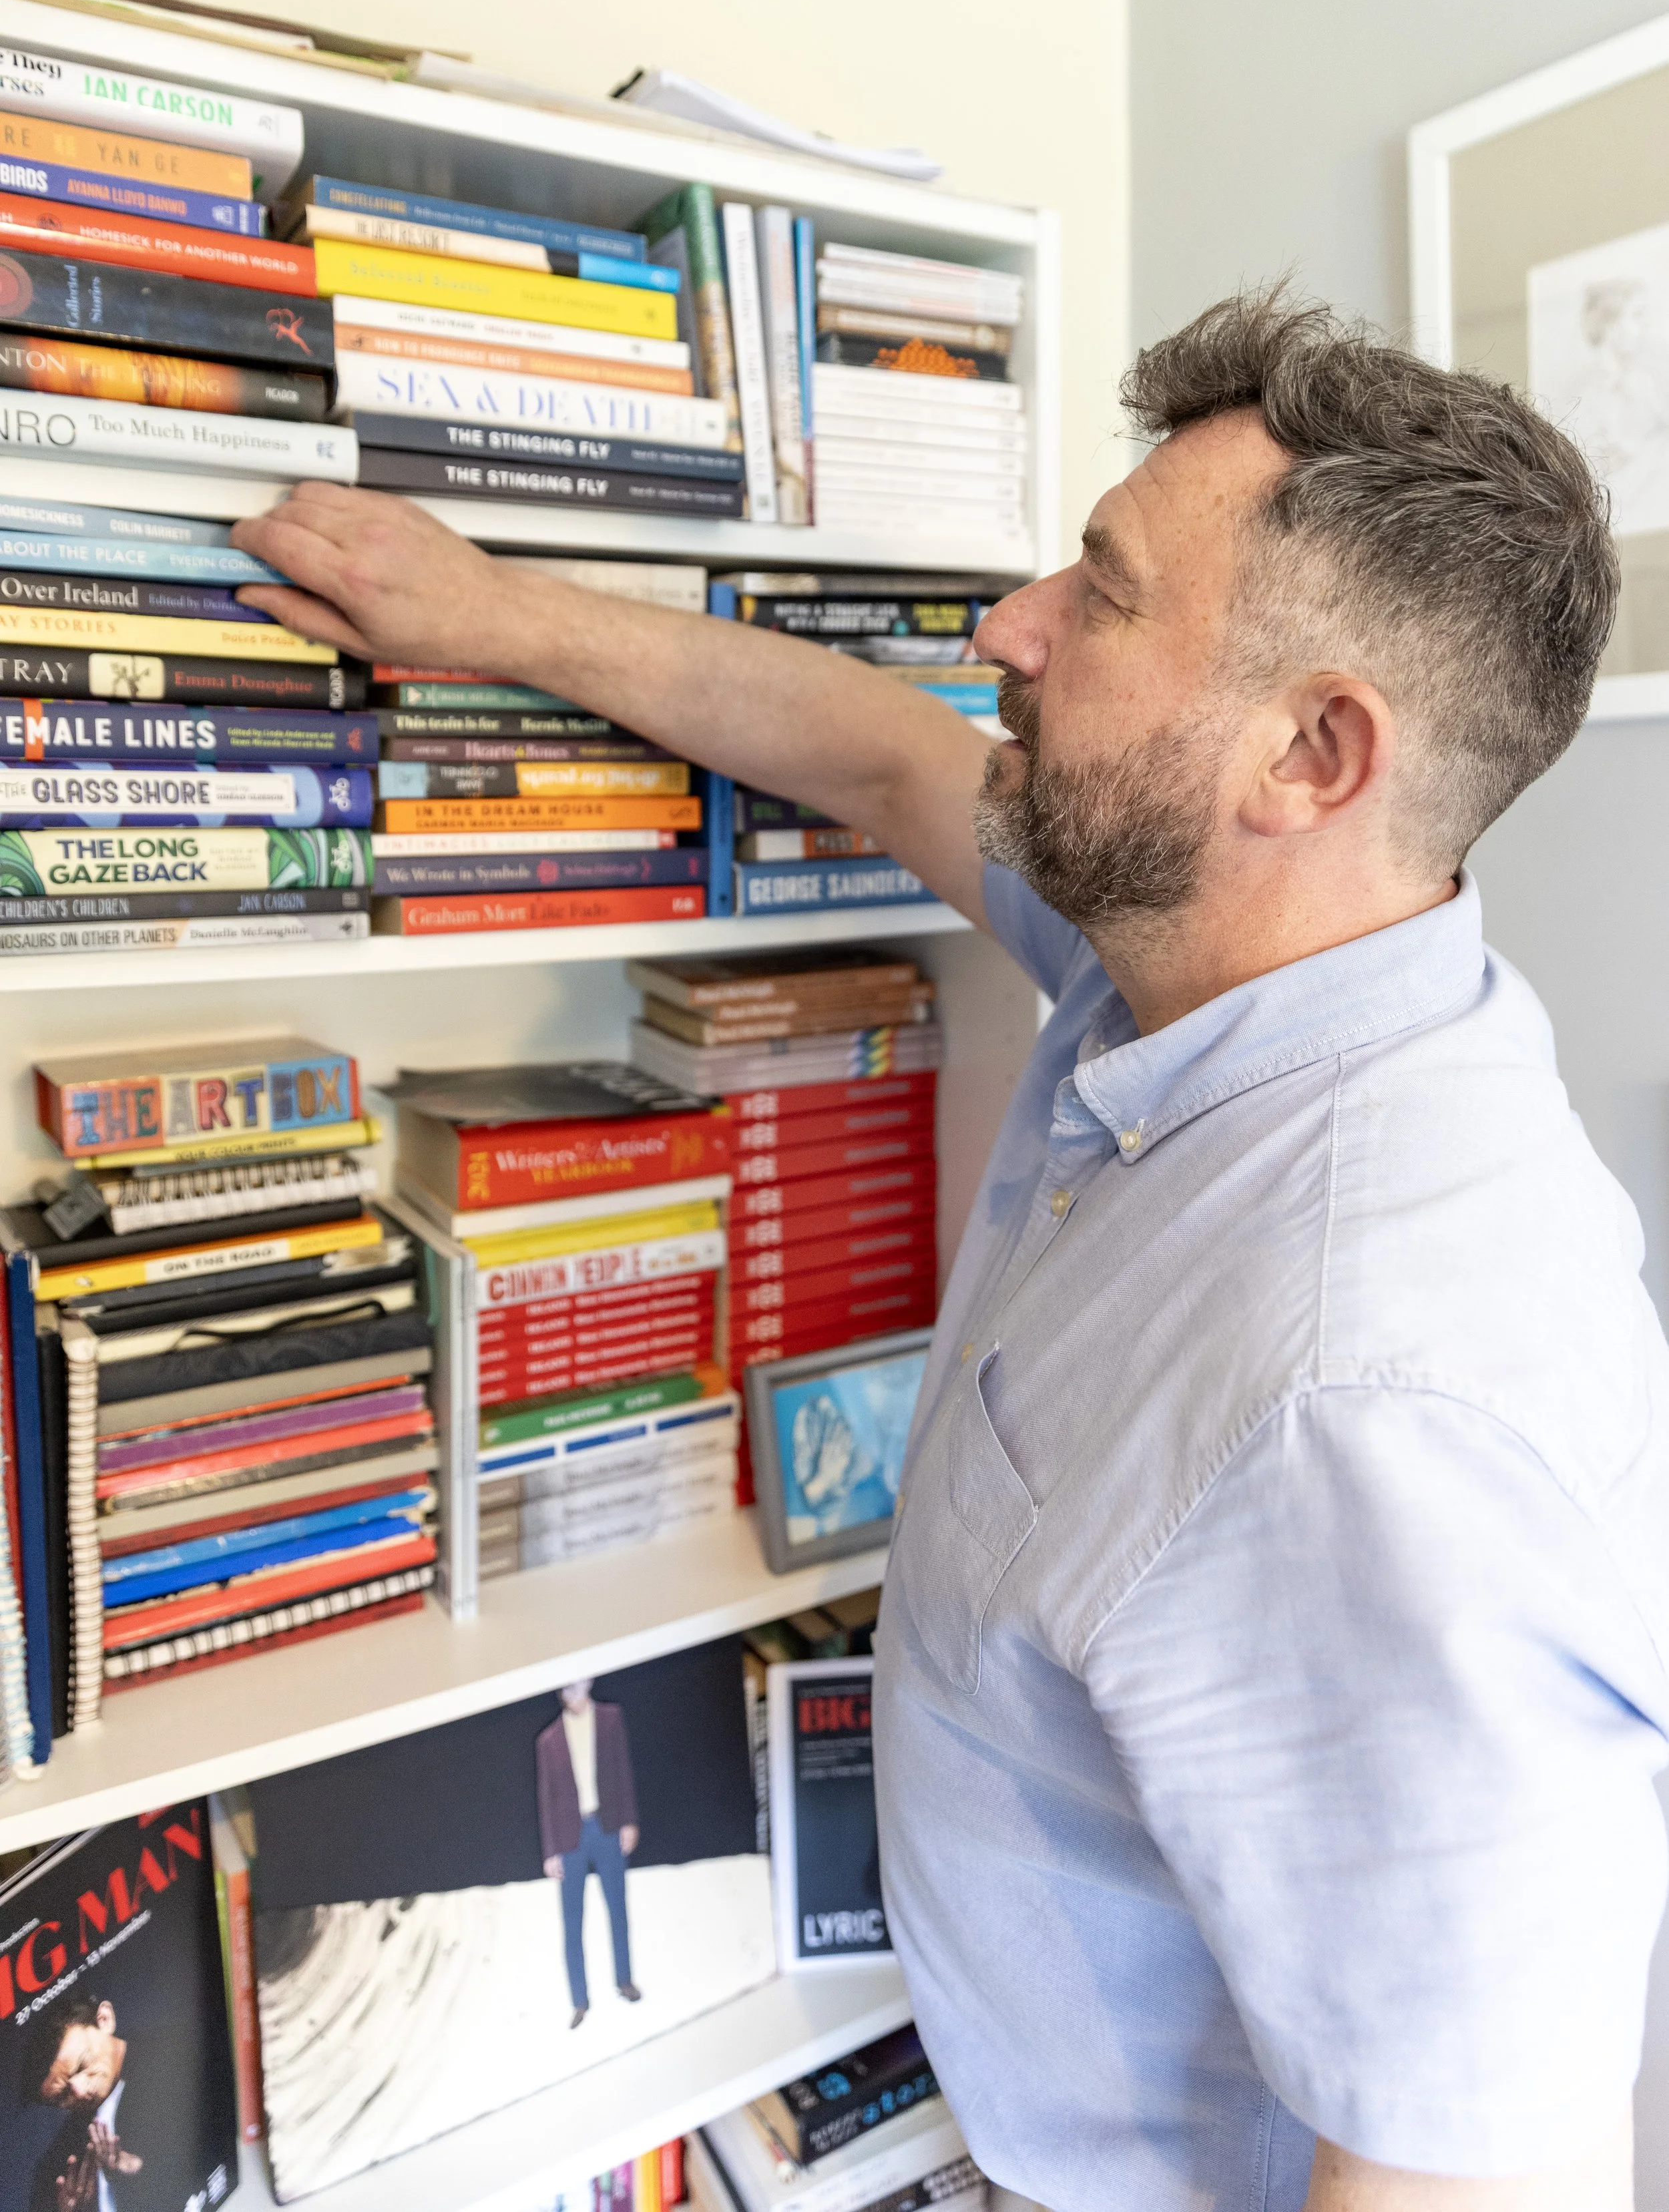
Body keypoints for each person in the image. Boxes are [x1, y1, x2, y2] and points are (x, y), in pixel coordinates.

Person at [234, 291, 1669, 2212]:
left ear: (1311, 754)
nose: (1006, 624)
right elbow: (896, 760)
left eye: (1099, 587)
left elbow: (1468, 2171)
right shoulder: (1204, 966)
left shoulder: (1374, 1394)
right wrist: (486, 615)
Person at [27, 1995, 212, 2212]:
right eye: (62, 2096)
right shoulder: (57, 2167)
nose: (79, 2090)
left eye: (81, 2064)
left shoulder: (186, 2056)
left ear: (105, 2019)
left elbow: (208, 2164)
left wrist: (137, 2173)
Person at [535, 1677, 641, 2026]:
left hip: (607, 1827)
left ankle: (624, 1980)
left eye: (576, 1686)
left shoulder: (611, 1718)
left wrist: (628, 1821)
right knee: (572, 1922)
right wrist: (550, 1851)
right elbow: (546, 1800)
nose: (571, 1694)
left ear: (589, 1682)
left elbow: (624, 1771)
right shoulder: (548, 1740)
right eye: (565, 1688)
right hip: (571, 1838)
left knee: (617, 1909)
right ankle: (579, 2000)